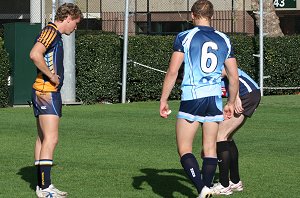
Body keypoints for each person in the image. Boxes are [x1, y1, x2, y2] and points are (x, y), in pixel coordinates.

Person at [159, 0, 239, 197]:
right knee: (210, 148)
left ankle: (202, 187)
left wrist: (163, 99)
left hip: (193, 97)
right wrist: (230, 102)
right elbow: (233, 76)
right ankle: (206, 188)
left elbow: (172, 71)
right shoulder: (224, 39)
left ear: (192, 15)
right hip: (214, 98)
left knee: (184, 148)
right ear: (211, 16)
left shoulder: (185, 36)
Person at [29, 3, 82, 198]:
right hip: (47, 91)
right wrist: (51, 76)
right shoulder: (50, 31)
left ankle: (43, 186)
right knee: (51, 138)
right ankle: (45, 188)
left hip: (45, 91)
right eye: (75, 23)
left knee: (43, 138)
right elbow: (35, 54)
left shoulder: (53, 34)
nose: (75, 28)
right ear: (68, 17)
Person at [211, 68, 261, 195]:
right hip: (250, 94)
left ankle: (224, 185)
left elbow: (229, 72)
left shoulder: (215, 60)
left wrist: (236, 98)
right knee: (227, 137)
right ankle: (235, 181)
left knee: (219, 136)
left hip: (245, 95)